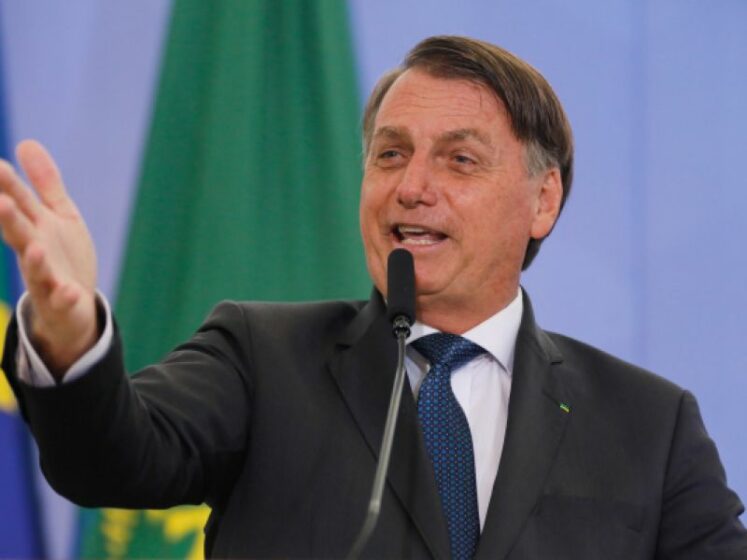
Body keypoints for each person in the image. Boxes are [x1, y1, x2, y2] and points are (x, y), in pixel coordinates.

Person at [1, 35, 745, 559]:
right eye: (391, 154)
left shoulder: (650, 425)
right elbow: (111, 460)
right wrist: (69, 333)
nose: (411, 186)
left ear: (542, 200)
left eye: (459, 160)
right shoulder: (261, 359)